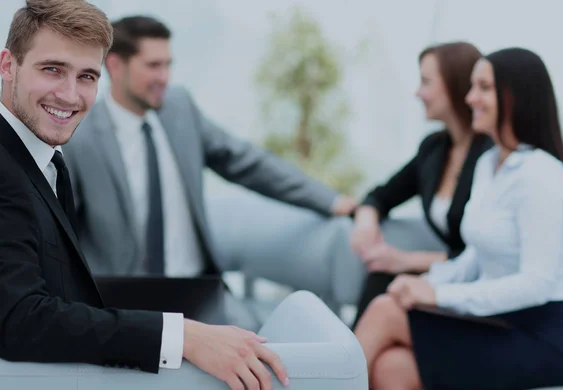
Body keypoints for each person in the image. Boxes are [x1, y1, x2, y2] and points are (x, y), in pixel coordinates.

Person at [0, 1, 290, 390]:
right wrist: (184, 337)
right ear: (7, 65)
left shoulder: (41, 158)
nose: (69, 95)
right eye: (52, 69)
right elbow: (20, 321)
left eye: (86, 76)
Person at [354, 47, 563, 390]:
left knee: (385, 312)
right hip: (501, 318)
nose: (470, 98)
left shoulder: (542, 176)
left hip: (545, 334)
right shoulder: (489, 164)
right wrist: (426, 281)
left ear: (513, 97)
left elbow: (535, 283)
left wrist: (438, 294)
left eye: (483, 87)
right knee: (391, 369)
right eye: (471, 86)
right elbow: (474, 256)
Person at [62, 15, 357, 278]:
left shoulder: (180, 109)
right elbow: (62, 229)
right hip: (121, 299)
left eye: (168, 65)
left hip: (197, 286)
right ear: (114, 65)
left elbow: (247, 162)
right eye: (153, 66)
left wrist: (331, 201)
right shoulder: (80, 135)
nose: (164, 77)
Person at [350, 42, 492, 328]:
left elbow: (485, 253)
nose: (417, 93)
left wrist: (406, 260)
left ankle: (347, 367)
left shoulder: (491, 156)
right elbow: (379, 196)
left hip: (479, 283)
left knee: (388, 286)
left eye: (425, 82)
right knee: (381, 278)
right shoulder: (434, 150)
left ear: (454, 84)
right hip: (446, 273)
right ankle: (348, 364)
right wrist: (366, 224)